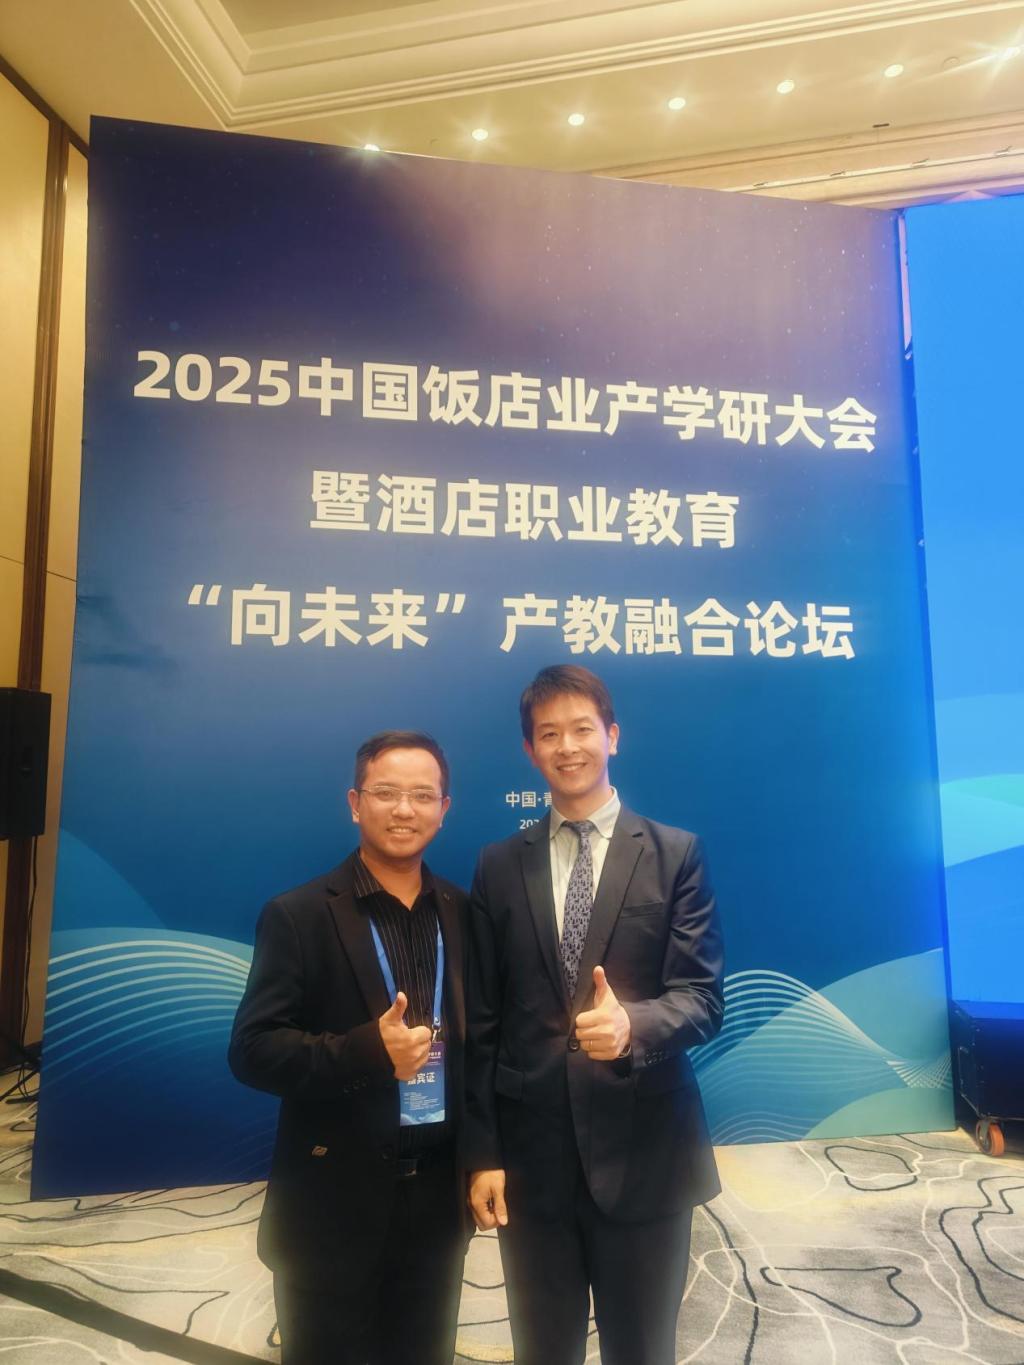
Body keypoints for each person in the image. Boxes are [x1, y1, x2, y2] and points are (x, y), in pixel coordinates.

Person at [464, 665, 724, 1365]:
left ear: (612, 736)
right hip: (533, 1163)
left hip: (645, 1155)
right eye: (549, 734)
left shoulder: (674, 855)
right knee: (543, 1350)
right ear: (530, 751)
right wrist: (483, 1153)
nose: (568, 746)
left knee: (641, 1349)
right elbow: (482, 1023)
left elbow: (702, 998)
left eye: (582, 729)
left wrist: (632, 1025)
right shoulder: (497, 865)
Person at [228, 731, 468, 1365]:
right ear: (355, 803)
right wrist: (367, 1051)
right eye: (386, 793)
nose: (404, 809)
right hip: (332, 1200)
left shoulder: (464, 914)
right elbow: (252, 1049)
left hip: (437, 1200)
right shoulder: (299, 915)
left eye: (423, 795)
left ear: (445, 809)